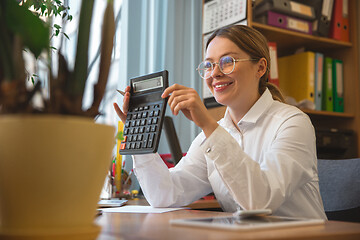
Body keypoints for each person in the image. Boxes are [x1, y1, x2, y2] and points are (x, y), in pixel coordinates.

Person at [113, 24, 327, 219]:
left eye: (227, 62)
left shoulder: (293, 123)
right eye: (208, 65)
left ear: (260, 68)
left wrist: (208, 124)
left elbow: (261, 201)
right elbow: (165, 195)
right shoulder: (216, 133)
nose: (214, 73)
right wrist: (138, 135)